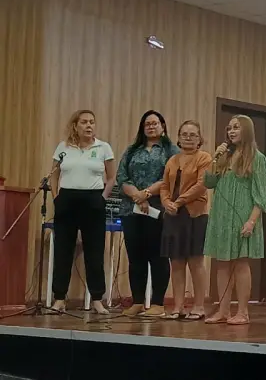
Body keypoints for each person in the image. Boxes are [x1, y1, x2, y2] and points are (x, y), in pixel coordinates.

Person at [203, 115, 266, 325]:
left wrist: (251, 221)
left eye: (236, 128)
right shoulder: (225, 156)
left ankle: (242, 312)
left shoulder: (257, 158)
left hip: (243, 217)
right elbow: (208, 183)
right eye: (229, 128)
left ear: (247, 131)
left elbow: (262, 195)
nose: (231, 131)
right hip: (222, 217)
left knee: (241, 264)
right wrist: (215, 159)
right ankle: (223, 311)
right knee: (222, 264)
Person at [51, 110, 116, 314]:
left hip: (93, 200)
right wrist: (56, 197)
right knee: (63, 250)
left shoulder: (103, 147)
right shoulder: (63, 147)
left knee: (94, 252)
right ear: (75, 125)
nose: (89, 125)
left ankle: (97, 299)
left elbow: (112, 177)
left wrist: (102, 198)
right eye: (84, 122)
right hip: (67, 200)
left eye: (92, 122)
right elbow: (54, 175)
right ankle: (59, 298)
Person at [116, 110, 178, 317]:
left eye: (155, 123)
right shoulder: (132, 150)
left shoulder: (171, 150)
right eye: (147, 124)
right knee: (136, 257)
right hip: (131, 210)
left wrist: (147, 194)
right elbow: (121, 177)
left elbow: (171, 178)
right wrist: (137, 196)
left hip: (158, 210)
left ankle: (158, 303)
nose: (151, 127)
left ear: (163, 126)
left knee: (158, 256)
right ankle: (137, 302)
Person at [161, 120, 212, 320]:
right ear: (178, 138)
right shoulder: (172, 160)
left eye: (193, 135)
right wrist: (166, 202)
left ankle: (199, 306)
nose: (188, 138)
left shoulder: (204, 158)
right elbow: (164, 186)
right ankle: (178, 307)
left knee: (196, 262)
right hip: (173, 215)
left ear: (200, 139)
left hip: (195, 215)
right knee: (176, 262)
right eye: (184, 134)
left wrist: (179, 201)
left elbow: (201, 185)